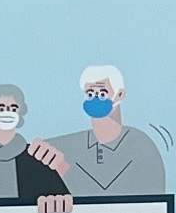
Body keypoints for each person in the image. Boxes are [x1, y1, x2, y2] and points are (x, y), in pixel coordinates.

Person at [38, 65, 165, 196]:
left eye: (102, 94)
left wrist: (64, 168)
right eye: (90, 94)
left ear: (120, 95)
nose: (95, 99)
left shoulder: (141, 145)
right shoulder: (69, 145)